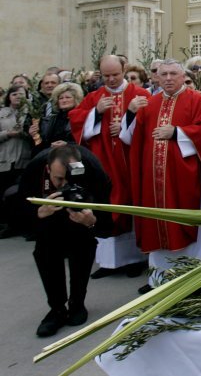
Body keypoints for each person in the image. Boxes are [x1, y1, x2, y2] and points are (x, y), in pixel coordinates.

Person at [122, 59, 201, 292]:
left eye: (173, 74)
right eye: (163, 74)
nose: (167, 78)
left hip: (184, 178)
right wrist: (130, 113)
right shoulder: (150, 103)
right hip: (153, 181)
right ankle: (158, 279)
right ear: (156, 77)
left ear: (182, 76)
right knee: (157, 224)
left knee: (188, 222)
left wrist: (177, 132)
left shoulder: (196, 99)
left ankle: (194, 277)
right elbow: (132, 138)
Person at [69, 55, 149, 278]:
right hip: (104, 163)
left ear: (124, 69)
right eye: (106, 76)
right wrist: (96, 112)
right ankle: (108, 262)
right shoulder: (95, 97)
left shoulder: (140, 94)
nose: (112, 80)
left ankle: (135, 259)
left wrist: (124, 124)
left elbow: (148, 124)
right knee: (105, 205)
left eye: (115, 74)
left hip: (131, 163)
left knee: (130, 204)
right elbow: (76, 121)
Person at [26, 145, 111, 337]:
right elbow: (19, 207)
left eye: (69, 178)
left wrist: (92, 221)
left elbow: (105, 208)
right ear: (48, 169)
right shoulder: (34, 168)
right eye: (58, 179)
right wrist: (38, 213)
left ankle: (77, 303)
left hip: (80, 222)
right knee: (46, 256)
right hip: (48, 222)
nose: (64, 183)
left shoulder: (94, 171)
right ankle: (56, 309)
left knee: (83, 252)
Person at [0, 85, 32, 238]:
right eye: (14, 94)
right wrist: (8, 133)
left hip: (24, 159)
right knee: (4, 193)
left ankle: (22, 225)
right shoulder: (2, 113)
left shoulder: (31, 113)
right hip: (4, 159)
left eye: (21, 94)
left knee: (21, 193)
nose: (18, 97)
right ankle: (7, 225)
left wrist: (26, 133)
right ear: (9, 96)